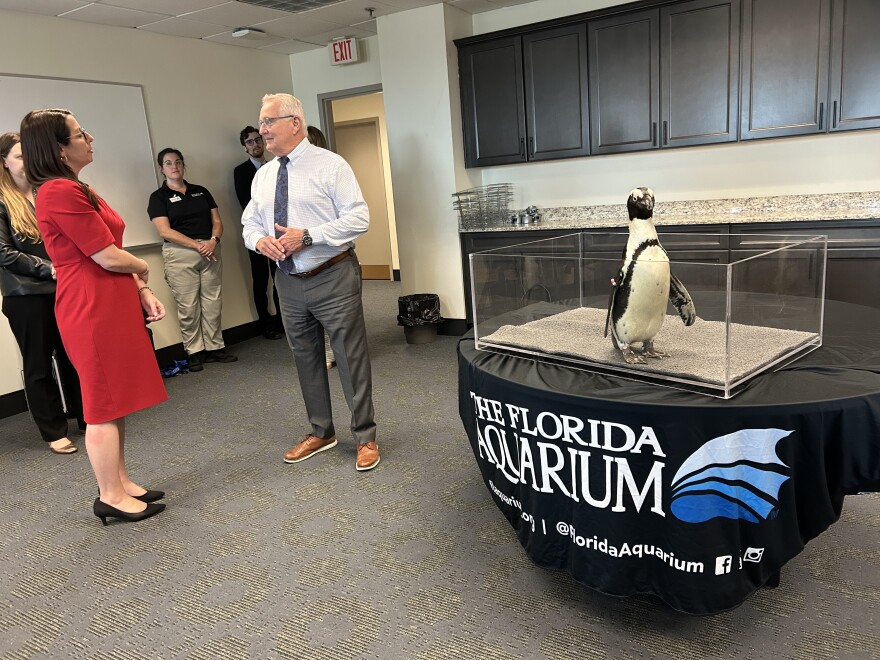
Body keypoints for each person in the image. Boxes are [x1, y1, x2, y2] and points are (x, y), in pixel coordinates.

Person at [21, 108, 167, 525]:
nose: (90, 138)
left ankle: (121, 482)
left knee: (114, 397)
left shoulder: (77, 187)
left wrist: (141, 289)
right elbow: (105, 255)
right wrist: (143, 268)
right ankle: (109, 496)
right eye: (80, 133)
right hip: (89, 304)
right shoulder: (57, 192)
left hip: (108, 297)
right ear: (59, 149)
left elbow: (109, 251)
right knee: (101, 403)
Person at [241, 93, 380, 471]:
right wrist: (260, 241)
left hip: (332, 274)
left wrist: (308, 236)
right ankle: (321, 431)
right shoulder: (264, 175)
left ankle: (365, 436)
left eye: (268, 121)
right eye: (261, 122)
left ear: (294, 123)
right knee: (305, 358)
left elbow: (359, 218)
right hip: (288, 280)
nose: (262, 130)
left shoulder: (330, 165)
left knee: (349, 358)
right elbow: (249, 224)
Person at [1, 131, 85, 454]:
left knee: (74, 357)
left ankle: (87, 417)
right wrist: (49, 268)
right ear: (4, 162)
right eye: (19, 156)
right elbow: (3, 253)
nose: (27, 161)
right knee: (38, 365)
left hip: (64, 288)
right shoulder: (2, 201)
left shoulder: (46, 192)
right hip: (26, 296)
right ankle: (53, 430)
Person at [148, 148, 237, 372]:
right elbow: (165, 231)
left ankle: (215, 347)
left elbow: (217, 222)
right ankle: (194, 351)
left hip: (211, 250)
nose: (175, 166)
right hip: (180, 254)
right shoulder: (158, 197)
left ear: (183, 165)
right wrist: (198, 246)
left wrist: (213, 241)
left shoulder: (201, 191)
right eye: (169, 163)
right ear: (162, 169)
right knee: (188, 305)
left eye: (178, 162)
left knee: (212, 302)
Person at [233, 126, 282, 340]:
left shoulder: (275, 167)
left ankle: (282, 320)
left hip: (278, 233)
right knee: (261, 280)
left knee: (280, 279)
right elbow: (247, 203)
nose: (255, 145)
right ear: (245, 147)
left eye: (257, 140)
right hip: (257, 235)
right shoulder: (241, 172)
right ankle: (266, 324)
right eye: (250, 142)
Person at [305, 125, 335, 370]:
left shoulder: (332, 169)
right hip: (303, 259)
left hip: (331, 255)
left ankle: (337, 351)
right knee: (313, 314)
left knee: (334, 313)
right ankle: (325, 352)